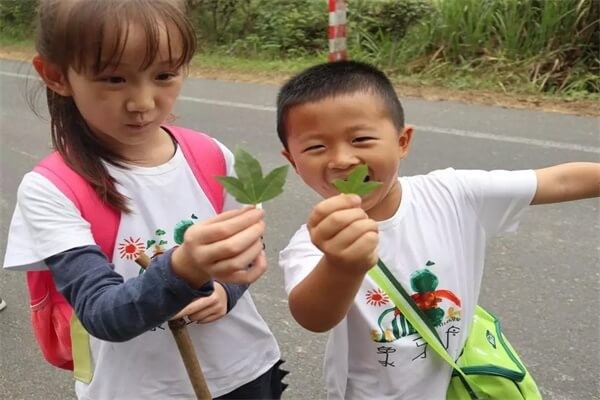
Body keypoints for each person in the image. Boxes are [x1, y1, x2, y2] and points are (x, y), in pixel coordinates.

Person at [2, 0, 286, 399]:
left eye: (165, 75)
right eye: (114, 79)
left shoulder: (212, 156)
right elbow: (102, 313)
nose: (143, 102)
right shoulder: (52, 188)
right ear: (56, 75)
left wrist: (224, 289)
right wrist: (184, 270)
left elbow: (248, 252)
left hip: (244, 371)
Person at [276, 60, 600, 399]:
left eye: (360, 138)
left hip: (456, 383)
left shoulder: (453, 194)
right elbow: (313, 317)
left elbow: (560, 181)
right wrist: (341, 265)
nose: (342, 159)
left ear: (402, 141)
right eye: (315, 147)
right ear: (293, 162)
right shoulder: (314, 242)